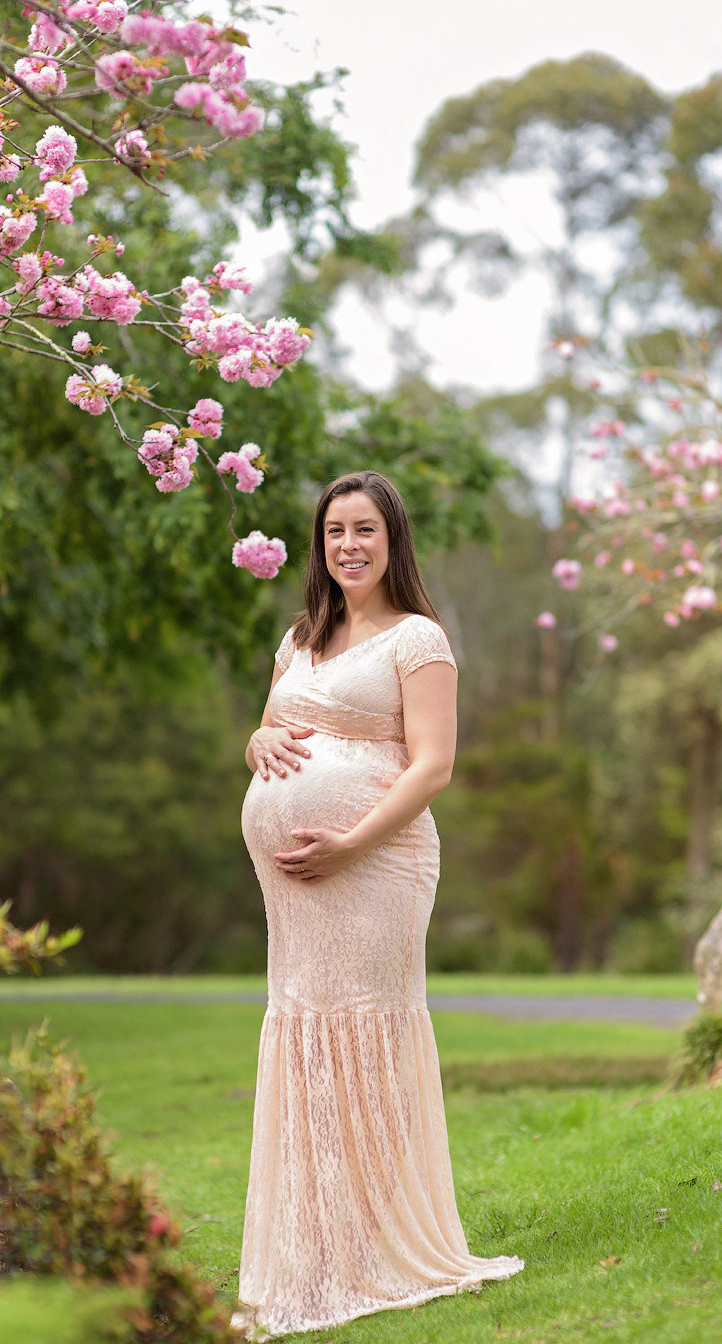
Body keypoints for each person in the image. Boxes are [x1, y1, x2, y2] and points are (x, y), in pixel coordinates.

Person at [232, 471, 523, 1339]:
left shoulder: (418, 639)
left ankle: (372, 1246)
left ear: (393, 539)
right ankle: (318, 1244)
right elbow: (267, 732)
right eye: (334, 531)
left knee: (363, 1034)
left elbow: (433, 766)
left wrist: (351, 842)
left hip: (378, 866)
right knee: (306, 1028)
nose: (348, 545)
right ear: (318, 545)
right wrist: (256, 741)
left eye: (364, 529)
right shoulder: (299, 638)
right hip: (296, 888)